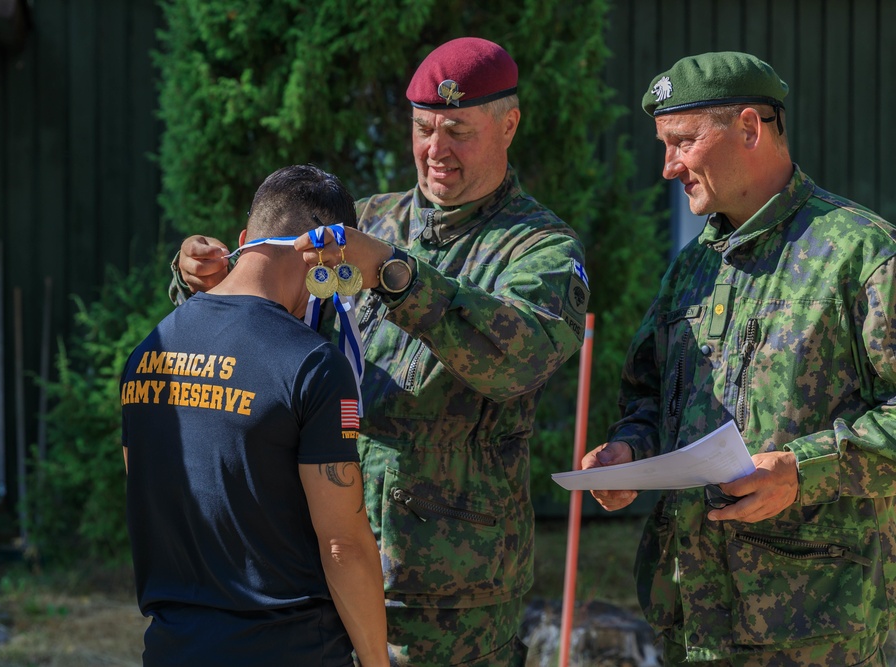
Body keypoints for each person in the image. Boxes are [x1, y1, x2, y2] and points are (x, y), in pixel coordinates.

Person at [170, 37, 589, 666]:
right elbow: (265, 324)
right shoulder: (368, 219)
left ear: (509, 125)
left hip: (449, 603)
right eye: (423, 129)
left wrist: (397, 276)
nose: (436, 150)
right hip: (320, 570)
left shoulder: (540, 249)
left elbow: (518, 362)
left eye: (457, 130)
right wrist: (200, 279)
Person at [582, 51, 896, 666]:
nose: (669, 166)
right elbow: (647, 394)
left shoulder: (860, 253)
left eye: (682, 142)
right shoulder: (693, 267)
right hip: (690, 624)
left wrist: (802, 470)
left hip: (814, 630)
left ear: (749, 128)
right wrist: (628, 452)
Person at [122, 164, 388, 667]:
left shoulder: (149, 350)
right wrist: (378, 661)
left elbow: (144, 487)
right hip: (291, 647)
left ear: (245, 240)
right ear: (325, 260)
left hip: (172, 647)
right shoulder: (312, 365)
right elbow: (343, 547)